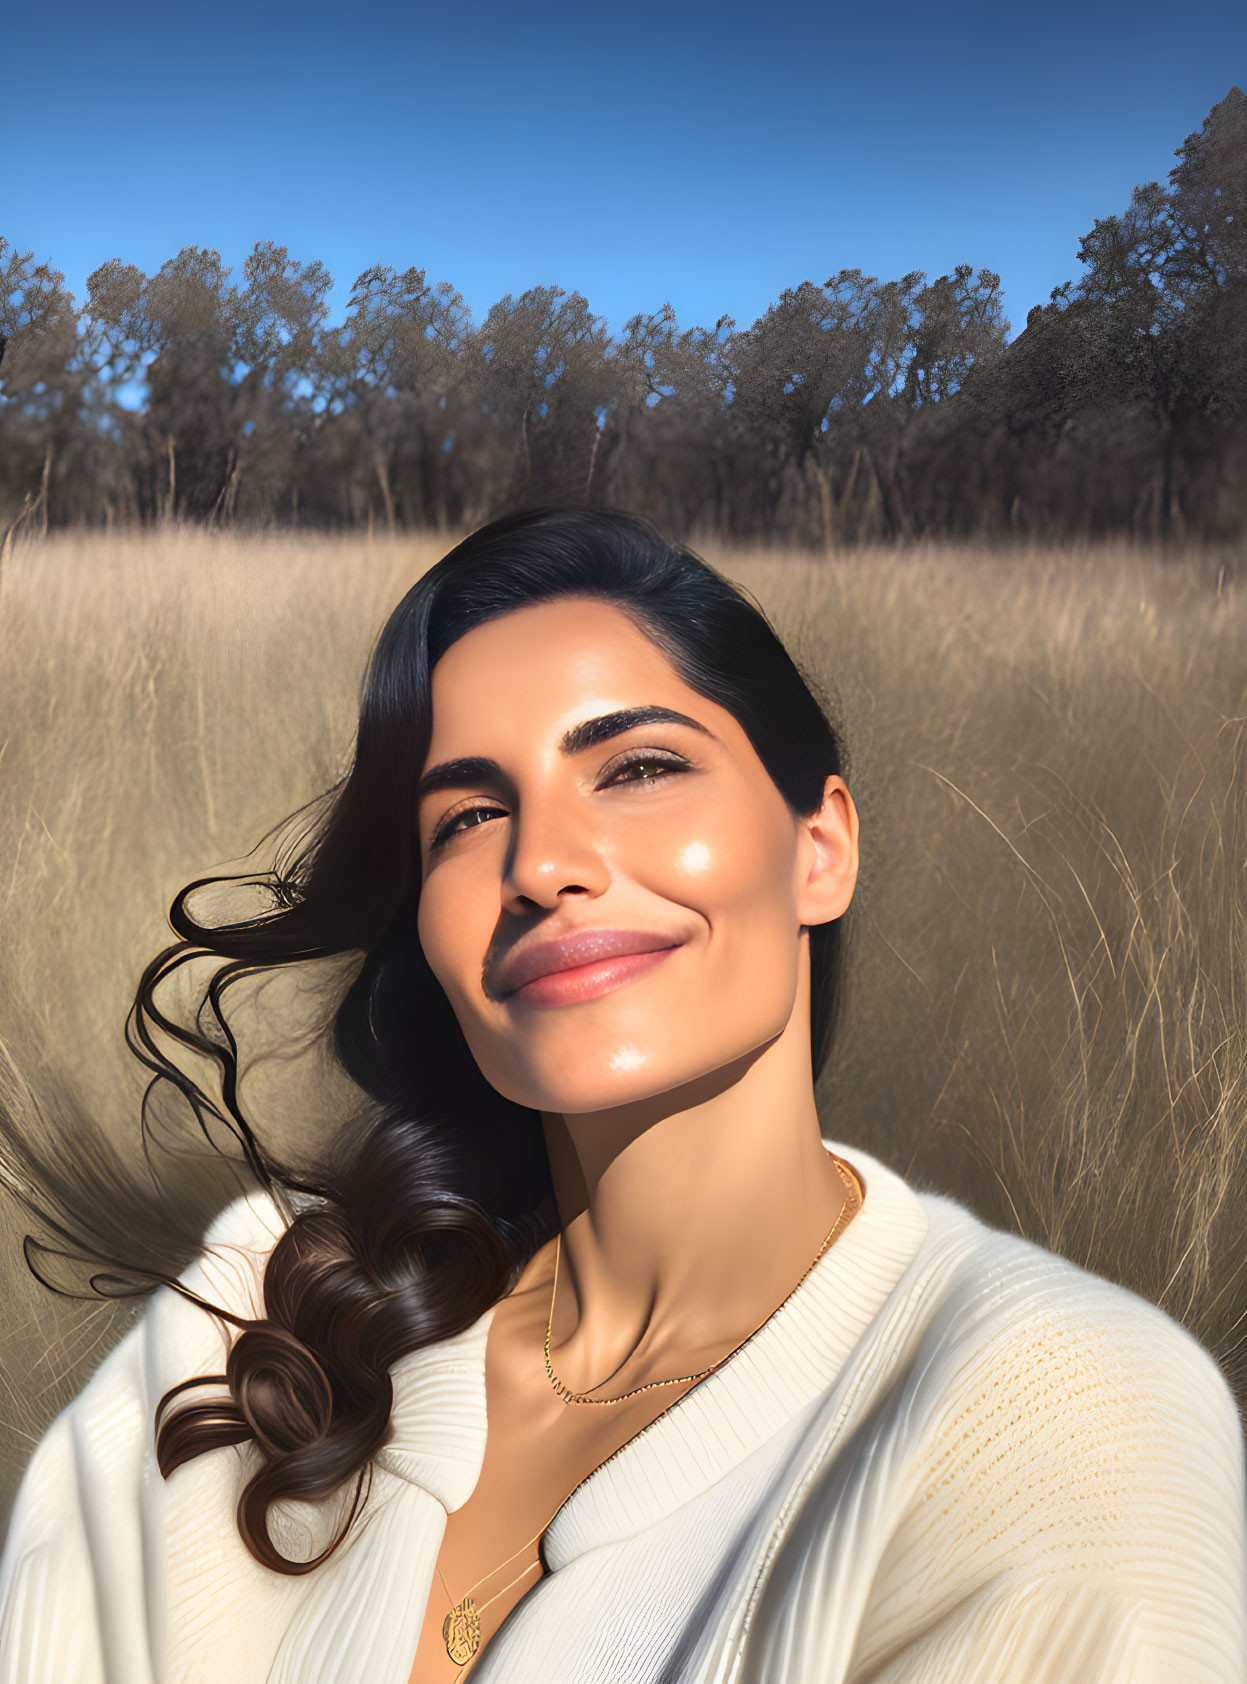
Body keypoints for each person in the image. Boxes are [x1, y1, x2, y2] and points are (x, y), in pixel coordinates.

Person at [0, 506, 1243, 1684]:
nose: (540, 863)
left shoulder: (1055, 1408)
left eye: (639, 766)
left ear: (821, 848)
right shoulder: (258, 1312)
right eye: (470, 814)